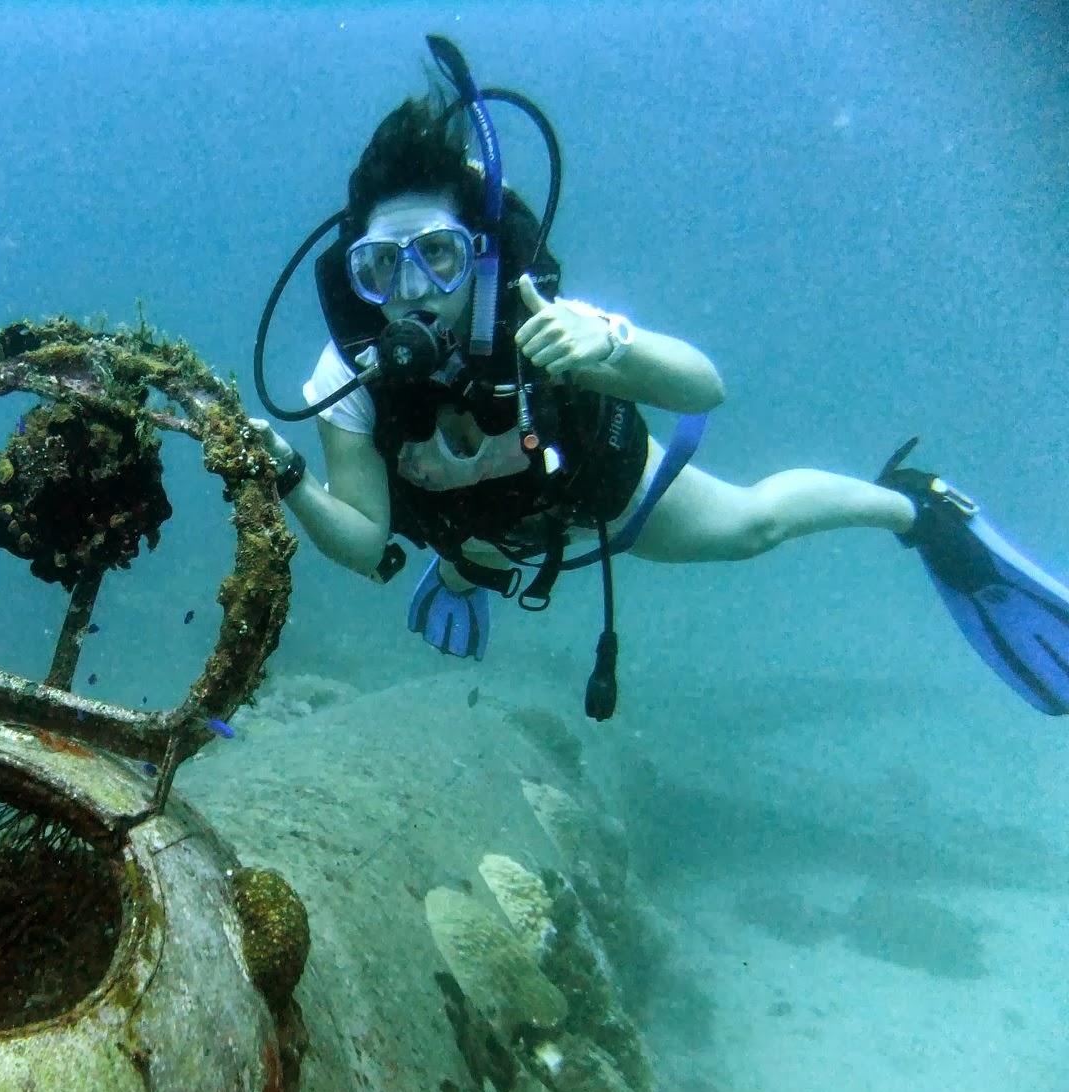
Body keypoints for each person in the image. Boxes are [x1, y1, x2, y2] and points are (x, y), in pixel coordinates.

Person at [252, 35, 1069, 719]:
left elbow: (703, 387)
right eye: (382, 267)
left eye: (437, 254)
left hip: (600, 491)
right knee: (462, 544)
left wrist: (608, 349)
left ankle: (913, 506)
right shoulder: (348, 373)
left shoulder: (544, 321)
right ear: (355, 275)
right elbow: (364, 542)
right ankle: (464, 574)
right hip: (474, 525)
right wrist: (284, 473)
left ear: (481, 255)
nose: (413, 294)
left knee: (753, 527)